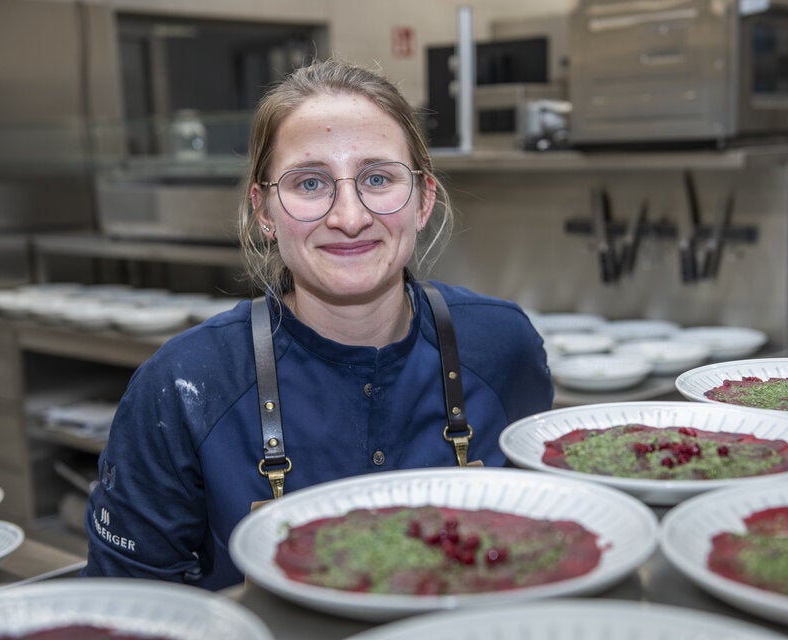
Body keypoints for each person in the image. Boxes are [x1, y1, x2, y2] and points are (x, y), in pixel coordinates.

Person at [81, 58, 553, 590]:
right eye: (310, 182)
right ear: (264, 211)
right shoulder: (184, 386)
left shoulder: (501, 346)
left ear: (423, 200)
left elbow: (545, 543)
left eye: (378, 178)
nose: (348, 217)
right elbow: (129, 604)